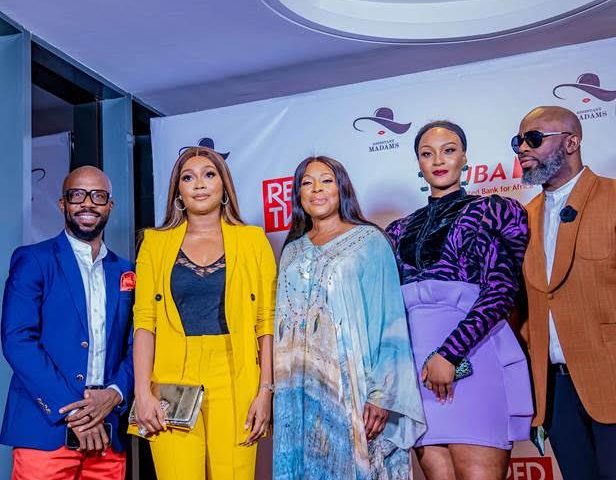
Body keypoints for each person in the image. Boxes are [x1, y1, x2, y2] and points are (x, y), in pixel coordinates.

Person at [386, 121, 533, 480]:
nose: (438, 160)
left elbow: (501, 291)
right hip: (418, 373)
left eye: (449, 150)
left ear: (465, 157)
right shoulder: (397, 231)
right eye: (427, 153)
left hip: (475, 358)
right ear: (418, 163)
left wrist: (449, 354)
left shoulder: (495, 211)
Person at [273, 156, 426, 480]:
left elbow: (389, 321)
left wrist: (382, 395)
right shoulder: (291, 251)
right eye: (307, 182)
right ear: (298, 194)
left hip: (353, 389)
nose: (317, 189)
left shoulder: (369, 242)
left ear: (341, 188)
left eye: (326, 180)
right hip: (297, 395)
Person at [130, 146, 276, 480]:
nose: (199, 184)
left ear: (224, 185)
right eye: (188, 177)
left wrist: (265, 391)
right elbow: (145, 323)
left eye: (209, 174)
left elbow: (266, 323)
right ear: (177, 191)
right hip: (170, 376)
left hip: (236, 375)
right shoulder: (154, 243)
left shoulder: (253, 240)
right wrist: (142, 392)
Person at [1, 166, 134, 479]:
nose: (87, 203)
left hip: (107, 431)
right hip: (45, 431)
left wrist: (115, 393)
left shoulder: (126, 271)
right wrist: (75, 410)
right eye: (77, 195)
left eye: (98, 196)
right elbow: (17, 339)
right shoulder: (34, 260)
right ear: (63, 203)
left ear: (110, 205)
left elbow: (136, 344)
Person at [515, 106, 616, 480]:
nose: (523, 149)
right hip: (555, 393)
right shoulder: (523, 217)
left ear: (572, 142)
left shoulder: (612, 198)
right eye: (518, 141)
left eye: (534, 138)